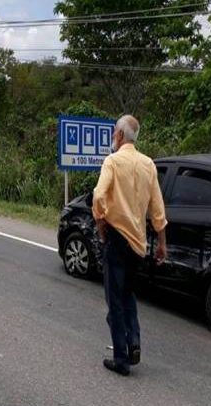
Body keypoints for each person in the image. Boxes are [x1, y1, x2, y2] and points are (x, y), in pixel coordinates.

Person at [92, 114, 167, 376]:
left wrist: (101, 225)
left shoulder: (112, 162)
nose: (113, 137)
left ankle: (121, 358)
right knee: (129, 296)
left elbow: (99, 195)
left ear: (120, 136)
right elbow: (157, 208)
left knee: (115, 299)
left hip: (116, 240)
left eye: (114, 133)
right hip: (139, 244)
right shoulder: (149, 164)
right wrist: (161, 243)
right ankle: (133, 342)